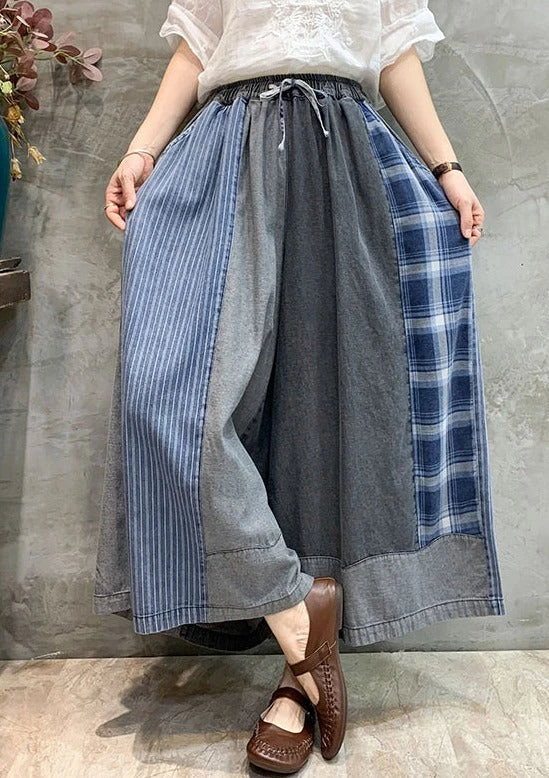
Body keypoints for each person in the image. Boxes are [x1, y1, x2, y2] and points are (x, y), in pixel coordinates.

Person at [94, 0, 506, 772]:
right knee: (167, 399)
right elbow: (197, 45)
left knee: (322, 413)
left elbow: (392, 50)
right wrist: (141, 151)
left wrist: (448, 171)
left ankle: (295, 682)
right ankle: (294, 610)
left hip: (345, 158)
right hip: (223, 155)